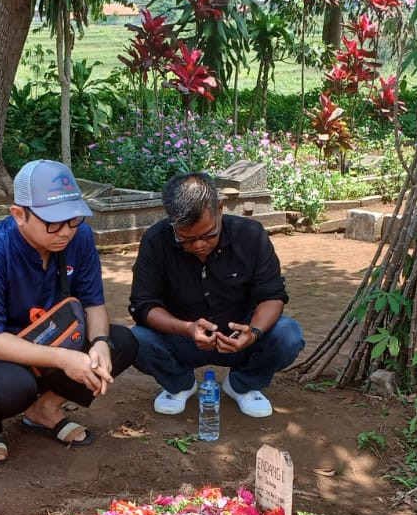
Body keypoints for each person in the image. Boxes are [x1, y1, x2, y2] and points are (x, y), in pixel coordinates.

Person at [0, 159, 137, 466]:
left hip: (51, 334)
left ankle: (44, 409)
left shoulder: (81, 237)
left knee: (121, 343)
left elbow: (92, 303)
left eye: (73, 219)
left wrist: (100, 342)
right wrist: (66, 359)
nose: (65, 232)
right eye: (53, 222)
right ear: (19, 214)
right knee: (10, 387)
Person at [128, 172, 303, 419]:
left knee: (288, 335)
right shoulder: (155, 241)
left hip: (240, 336)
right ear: (171, 220)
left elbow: (272, 296)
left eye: (209, 234)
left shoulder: (251, 235)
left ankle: (243, 384)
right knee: (135, 339)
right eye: (186, 239)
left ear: (220, 208)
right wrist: (187, 328)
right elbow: (144, 305)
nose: (199, 245)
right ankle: (179, 384)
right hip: (182, 338)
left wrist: (253, 334)